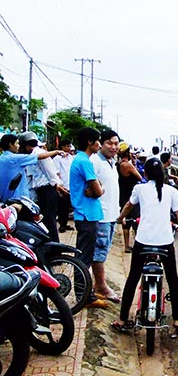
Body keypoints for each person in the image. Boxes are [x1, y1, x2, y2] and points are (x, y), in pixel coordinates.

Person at [112, 158, 178, 338]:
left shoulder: (140, 189)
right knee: (172, 278)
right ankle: (177, 320)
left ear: (145, 173)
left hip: (143, 241)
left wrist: (119, 218)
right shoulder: (172, 191)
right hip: (165, 242)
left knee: (133, 278)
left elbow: (129, 206)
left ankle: (122, 319)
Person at [70, 127, 107, 308]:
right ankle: (84, 296)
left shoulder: (81, 160)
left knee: (86, 255)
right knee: (84, 257)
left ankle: (86, 293)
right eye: (98, 141)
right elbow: (99, 190)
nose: (99, 144)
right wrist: (98, 189)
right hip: (86, 214)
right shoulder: (84, 162)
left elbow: (96, 188)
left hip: (86, 214)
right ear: (89, 142)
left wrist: (96, 188)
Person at [90, 130, 121, 303]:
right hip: (100, 215)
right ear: (100, 143)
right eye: (110, 143)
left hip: (111, 214)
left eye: (116, 143)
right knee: (99, 252)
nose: (114, 147)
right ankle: (101, 285)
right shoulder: (95, 161)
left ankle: (98, 284)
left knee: (104, 251)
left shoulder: (111, 161)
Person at [19, 132, 63, 242]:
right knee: (42, 221)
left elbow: (51, 173)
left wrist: (56, 185)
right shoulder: (30, 156)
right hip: (40, 191)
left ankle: (55, 250)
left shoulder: (40, 154)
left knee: (49, 221)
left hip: (47, 190)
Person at [0, 133, 63, 202]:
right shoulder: (16, 158)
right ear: (10, 145)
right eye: (17, 144)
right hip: (18, 198)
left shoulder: (2, 158)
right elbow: (39, 156)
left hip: (5, 197)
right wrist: (56, 152)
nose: (18, 146)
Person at [117, 142, 143, 252]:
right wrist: (133, 163)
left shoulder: (118, 164)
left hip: (122, 194)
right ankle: (138, 244)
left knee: (126, 222)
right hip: (131, 194)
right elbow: (139, 177)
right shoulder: (127, 165)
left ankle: (127, 245)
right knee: (136, 220)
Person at [54, 140, 75, 233]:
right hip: (62, 186)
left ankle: (65, 223)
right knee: (62, 206)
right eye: (67, 146)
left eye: (69, 146)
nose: (68, 148)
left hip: (70, 185)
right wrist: (60, 185)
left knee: (68, 207)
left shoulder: (71, 158)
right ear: (62, 147)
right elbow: (57, 172)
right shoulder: (57, 159)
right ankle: (62, 225)